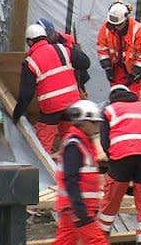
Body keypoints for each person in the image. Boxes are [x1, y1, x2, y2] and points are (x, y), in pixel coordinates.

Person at [13, 23, 90, 154]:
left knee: (43, 150)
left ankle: (44, 174)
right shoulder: (63, 49)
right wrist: (75, 50)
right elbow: (85, 63)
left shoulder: (30, 62)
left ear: (30, 42)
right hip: (72, 104)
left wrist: (16, 115)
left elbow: (26, 94)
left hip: (51, 109)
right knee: (73, 142)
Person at [97, 84, 141, 241]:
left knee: (113, 197)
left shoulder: (109, 110)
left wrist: (113, 160)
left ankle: (102, 236)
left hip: (121, 156)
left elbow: (105, 140)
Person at [52, 100, 107, 245]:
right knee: (96, 241)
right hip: (78, 207)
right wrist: (79, 208)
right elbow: (70, 178)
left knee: (65, 241)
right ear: (83, 122)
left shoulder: (81, 143)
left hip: (76, 206)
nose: (97, 127)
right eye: (94, 123)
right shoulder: (74, 145)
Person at [98, 1, 141, 101]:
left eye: (118, 24)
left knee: (133, 100)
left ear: (126, 19)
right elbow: (102, 49)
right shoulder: (106, 28)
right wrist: (107, 68)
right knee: (116, 99)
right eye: (113, 24)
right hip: (116, 70)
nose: (115, 27)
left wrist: (135, 74)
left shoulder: (139, 31)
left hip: (134, 72)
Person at [37, 17, 90, 96]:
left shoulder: (66, 40)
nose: (50, 36)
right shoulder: (40, 49)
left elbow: (83, 62)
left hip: (76, 80)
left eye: (51, 32)